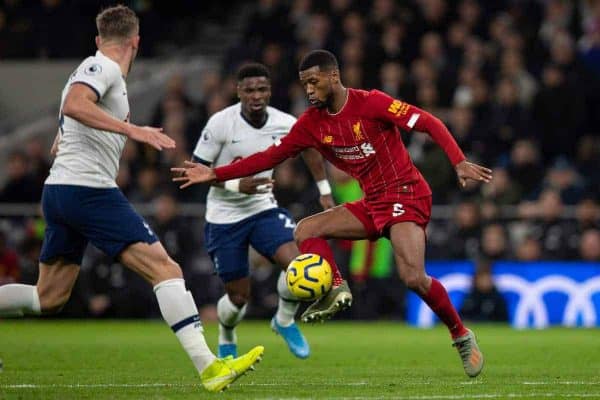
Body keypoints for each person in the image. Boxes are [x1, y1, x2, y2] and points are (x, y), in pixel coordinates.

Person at [173, 49, 492, 378]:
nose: (309, 90)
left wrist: (459, 161)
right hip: (373, 202)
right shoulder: (310, 124)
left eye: (314, 82)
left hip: (406, 194)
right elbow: (271, 156)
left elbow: (428, 122)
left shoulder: (371, 103)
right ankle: (336, 286)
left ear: (334, 77)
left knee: (413, 277)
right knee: (305, 230)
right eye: (304, 85)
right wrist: (216, 174)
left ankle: (461, 335)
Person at [0, 5, 262, 392]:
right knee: (166, 269)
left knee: (49, 296)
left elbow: (72, 112)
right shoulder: (101, 67)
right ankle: (210, 367)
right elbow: (75, 104)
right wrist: (133, 130)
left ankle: (211, 365)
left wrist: (68, 136)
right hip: (87, 191)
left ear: (98, 37)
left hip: (62, 190)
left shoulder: (95, 70)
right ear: (136, 42)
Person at [192, 62, 341, 359]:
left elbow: (310, 147)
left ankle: (284, 320)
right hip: (224, 218)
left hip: (263, 211)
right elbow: (196, 173)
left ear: (270, 91)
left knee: (299, 264)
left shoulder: (284, 122)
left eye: (262, 89)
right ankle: (227, 333)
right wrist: (236, 186)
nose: (256, 96)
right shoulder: (220, 123)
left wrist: (325, 191)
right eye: (249, 90)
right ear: (238, 92)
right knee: (238, 298)